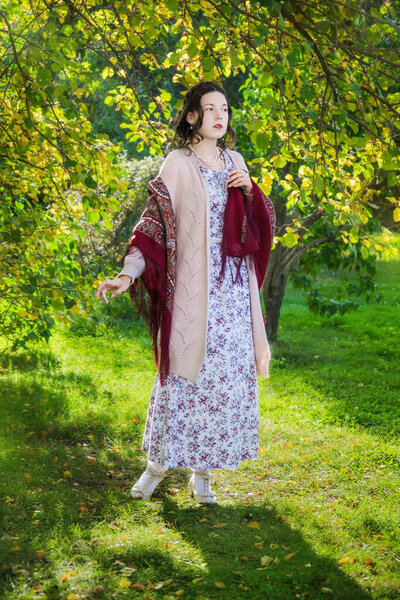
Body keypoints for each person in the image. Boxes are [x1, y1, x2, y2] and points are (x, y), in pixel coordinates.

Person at [95, 81, 276, 505]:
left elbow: (259, 223)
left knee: (222, 382)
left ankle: (203, 476)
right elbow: (152, 226)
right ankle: (156, 468)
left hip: (232, 291)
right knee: (180, 378)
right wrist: (128, 273)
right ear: (192, 116)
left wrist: (251, 191)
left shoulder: (236, 161)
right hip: (193, 289)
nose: (219, 116)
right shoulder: (177, 163)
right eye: (209, 108)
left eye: (225, 109)